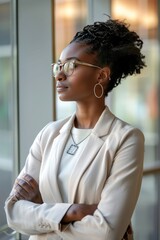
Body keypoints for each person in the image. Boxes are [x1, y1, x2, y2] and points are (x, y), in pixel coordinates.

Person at [5, 17, 146, 240]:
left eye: (71, 65)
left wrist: (42, 215)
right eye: (58, 66)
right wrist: (75, 211)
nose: (60, 74)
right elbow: (13, 212)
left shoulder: (127, 138)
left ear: (102, 75)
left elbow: (106, 232)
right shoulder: (49, 134)